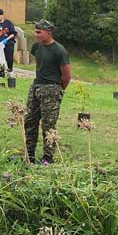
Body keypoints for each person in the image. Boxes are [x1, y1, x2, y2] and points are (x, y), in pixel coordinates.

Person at [24, 19, 71, 165]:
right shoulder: (37, 46)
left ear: (48, 32)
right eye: (35, 31)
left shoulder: (59, 50)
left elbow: (66, 75)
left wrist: (58, 90)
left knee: (48, 125)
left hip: (52, 89)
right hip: (36, 86)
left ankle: (47, 158)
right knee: (30, 121)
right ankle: (29, 154)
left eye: (39, 32)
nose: (36, 34)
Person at [0, 8, 17, 77]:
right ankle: (1, 73)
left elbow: (13, 34)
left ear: (2, 15)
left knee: (9, 58)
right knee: (0, 59)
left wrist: (6, 39)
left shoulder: (8, 23)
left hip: (8, 44)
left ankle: (10, 71)